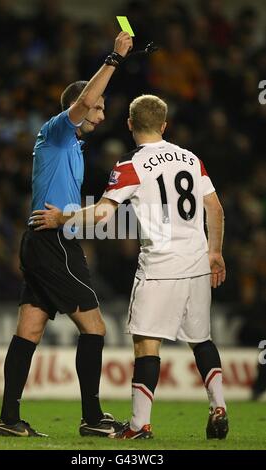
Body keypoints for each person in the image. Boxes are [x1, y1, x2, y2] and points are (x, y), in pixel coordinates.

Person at [31, 94, 228, 440]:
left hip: (159, 268)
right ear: (165, 125)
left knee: (146, 345)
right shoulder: (191, 159)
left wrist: (63, 217)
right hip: (197, 262)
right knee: (201, 340)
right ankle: (219, 406)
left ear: (130, 125)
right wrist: (215, 252)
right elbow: (215, 208)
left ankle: (139, 425)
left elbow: (105, 214)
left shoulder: (131, 164)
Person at [0, 31, 133, 438]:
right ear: (79, 105)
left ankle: (9, 419)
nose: (102, 115)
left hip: (45, 240)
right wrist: (115, 57)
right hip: (52, 243)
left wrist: (77, 219)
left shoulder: (71, 145)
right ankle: (92, 418)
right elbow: (87, 100)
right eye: (99, 108)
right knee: (95, 329)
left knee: (29, 331)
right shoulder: (55, 131)